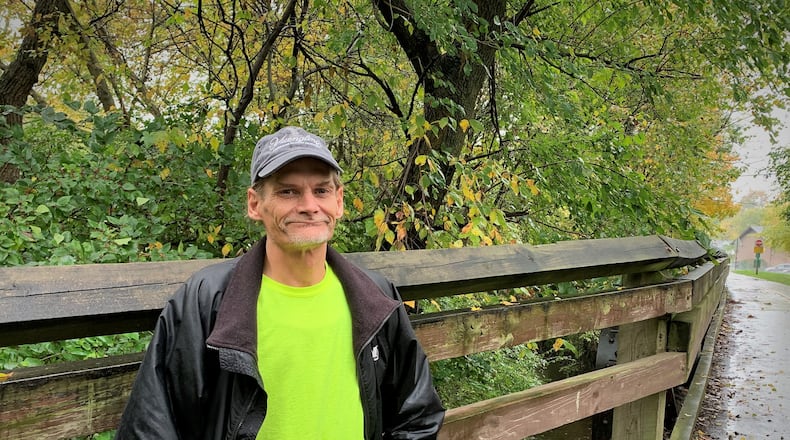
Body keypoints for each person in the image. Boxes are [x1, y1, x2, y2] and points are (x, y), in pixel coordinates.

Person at [116, 126, 445, 439]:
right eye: (288, 191)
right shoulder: (207, 300)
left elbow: (417, 412)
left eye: (321, 191)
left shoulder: (375, 298)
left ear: (339, 201)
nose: (308, 206)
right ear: (255, 204)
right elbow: (152, 424)